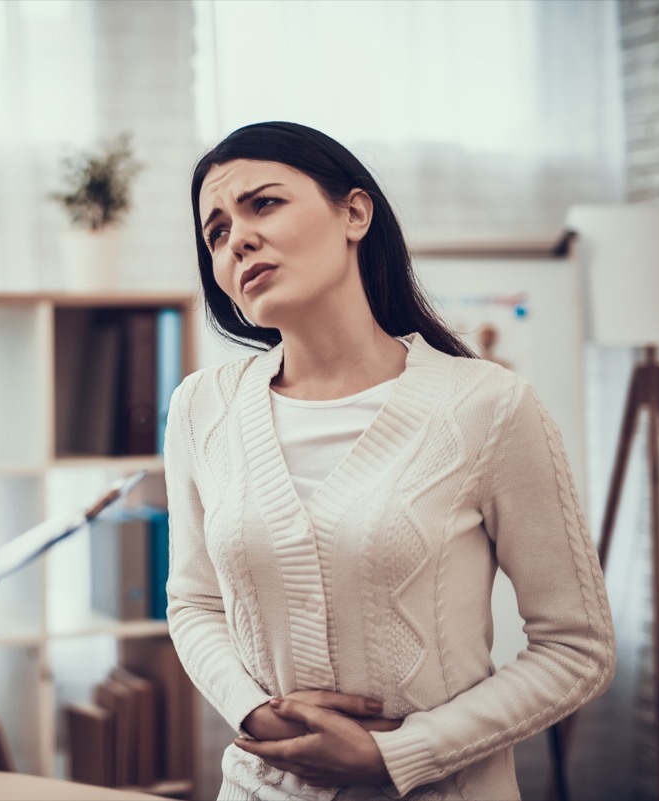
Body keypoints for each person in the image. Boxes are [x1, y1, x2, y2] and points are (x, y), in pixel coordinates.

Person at [164, 121, 615, 800]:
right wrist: (254, 712)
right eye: (217, 233)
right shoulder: (203, 406)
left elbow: (577, 649)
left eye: (264, 204)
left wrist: (403, 754)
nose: (239, 240)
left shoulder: (487, 404)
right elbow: (194, 602)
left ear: (355, 212)